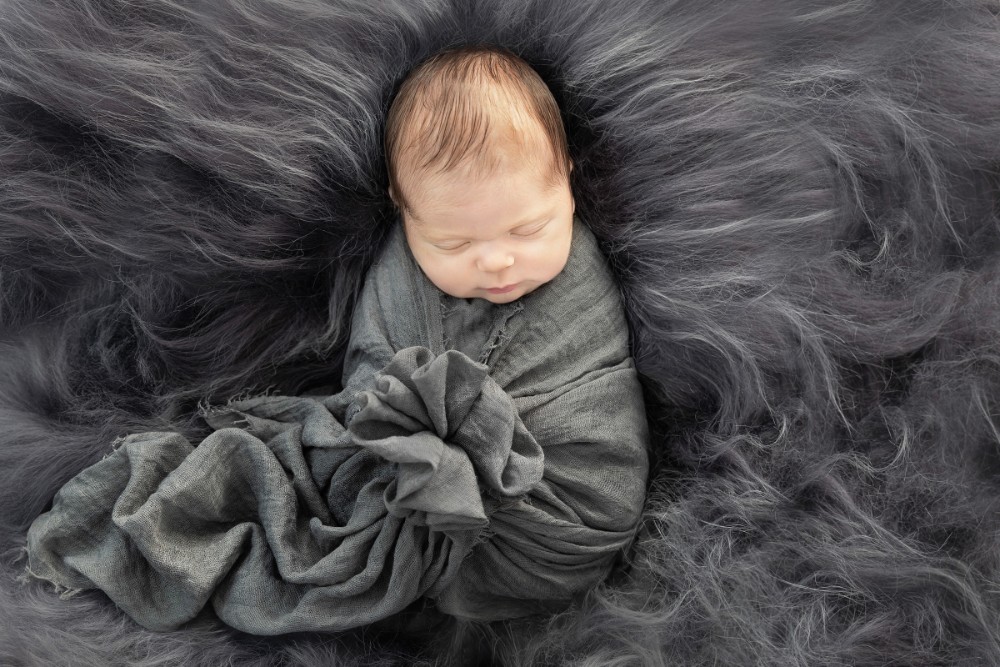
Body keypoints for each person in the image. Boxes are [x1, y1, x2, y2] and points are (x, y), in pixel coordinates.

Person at [384, 44, 575, 306]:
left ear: (569, 185)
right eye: (453, 244)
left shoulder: (592, 281)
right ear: (401, 209)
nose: (495, 263)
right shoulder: (390, 291)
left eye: (528, 230)